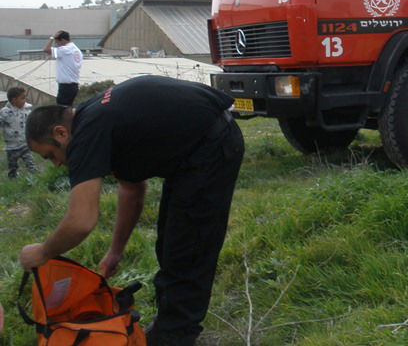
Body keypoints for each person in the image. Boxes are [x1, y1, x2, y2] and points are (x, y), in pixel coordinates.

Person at [19, 76, 244, 346]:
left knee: (188, 247)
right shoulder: (94, 120)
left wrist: (43, 252)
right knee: (172, 244)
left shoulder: (87, 133)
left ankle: (174, 336)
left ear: (60, 133)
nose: (56, 164)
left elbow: (81, 220)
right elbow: (132, 190)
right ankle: (169, 326)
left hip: (212, 146)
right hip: (194, 149)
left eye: (50, 156)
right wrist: (115, 251)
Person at [0, 86, 36, 179]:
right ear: (14, 100)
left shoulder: (26, 110)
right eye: (22, 98)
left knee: (30, 163)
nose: (25, 100)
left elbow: (31, 122)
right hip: (11, 147)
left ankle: (33, 179)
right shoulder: (5, 113)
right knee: (13, 167)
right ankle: (13, 180)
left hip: (24, 144)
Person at [43, 30, 83, 106]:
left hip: (66, 86)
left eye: (57, 42)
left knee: (61, 110)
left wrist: (52, 37)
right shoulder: (77, 50)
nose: (57, 45)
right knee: (68, 108)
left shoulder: (65, 50)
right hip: (74, 84)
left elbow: (46, 50)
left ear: (63, 40)